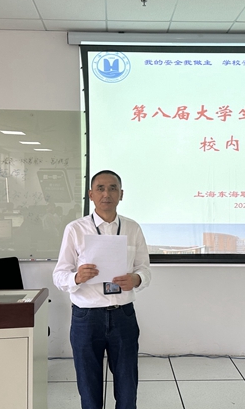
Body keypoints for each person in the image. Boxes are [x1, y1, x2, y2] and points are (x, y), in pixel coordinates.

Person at [53, 170, 151, 409]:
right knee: (89, 386)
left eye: (112, 188)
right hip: (87, 317)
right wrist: (77, 277)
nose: (106, 194)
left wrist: (136, 279)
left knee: (127, 385)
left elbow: (145, 269)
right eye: (100, 188)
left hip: (123, 315)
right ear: (91, 194)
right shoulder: (75, 229)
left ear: (121, 194)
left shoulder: (132, 228)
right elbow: (59, 275)